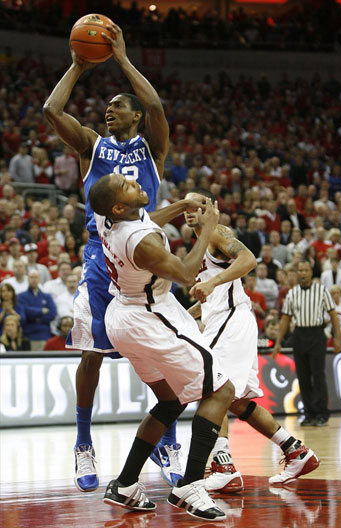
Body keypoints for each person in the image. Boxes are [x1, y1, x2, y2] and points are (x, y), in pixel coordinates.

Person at [43, 22, 177, 492]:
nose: (109, 110)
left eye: (118, 106)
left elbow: (157, 105)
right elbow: (51, 109)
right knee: (92, 356)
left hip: (148, 258)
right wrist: (78, 66)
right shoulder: (90, 147)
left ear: (137, 117)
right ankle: (83, 442)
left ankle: (169, 438)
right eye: (108, 106)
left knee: (158, 355)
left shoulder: (152, 147)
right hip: (102, 261)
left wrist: (121, 58)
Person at [89, 172, 234, 521]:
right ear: (120, 206)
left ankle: (125, 484)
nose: (134, 182)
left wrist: (182, 205)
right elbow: (185, 274)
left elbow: (145, 220)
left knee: (169, 402)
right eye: (126, 186)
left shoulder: (108, 217)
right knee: (221, 391)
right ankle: (191, 484)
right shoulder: (141, 243)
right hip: (150, 315)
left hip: (123, 313)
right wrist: (210, 225)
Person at [185, 189, 320, 491]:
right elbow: (213, 294)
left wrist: (212, 282)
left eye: (199, 204)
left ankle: (224, 466)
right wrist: (187, 312)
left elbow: (248, 259)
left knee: (212, 392)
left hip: (231, 321)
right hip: (229, 320)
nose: (190, 210)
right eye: (187, 205)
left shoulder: (217, 233)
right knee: (235, 400)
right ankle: (295, 451)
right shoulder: (201, 242)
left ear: (213, 208)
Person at [273, 260, 341, 427]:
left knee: (318, 375)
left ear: (311, 272)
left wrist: (338, 337)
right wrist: (277, 342)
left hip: (316, 334)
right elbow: (285, 319)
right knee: (303, 377)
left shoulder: (322, 291)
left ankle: (321, 413)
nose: (303, 273)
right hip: (299, 335)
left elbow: (333, 315)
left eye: (306, 270)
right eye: (300, 270)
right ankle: (309, 413)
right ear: (297, 273)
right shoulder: (292, 293)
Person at [18, 269, 57, 351]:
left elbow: (52, 314)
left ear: (39, 279)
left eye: (36, 277)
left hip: (44, 335)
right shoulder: (21, 296)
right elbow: (24, 311)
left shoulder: (47, 296)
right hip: (28, 335)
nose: (34, 280)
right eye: (31, 277)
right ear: (27, 279)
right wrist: (41, 311)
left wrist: (35, 318)